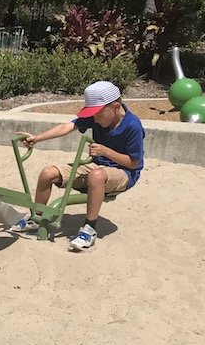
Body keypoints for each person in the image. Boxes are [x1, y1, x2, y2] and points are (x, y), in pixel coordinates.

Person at [12, 80, 145, 250]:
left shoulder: (133, 126)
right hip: (97, 166)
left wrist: (105, 151)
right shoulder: (100, 115)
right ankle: (36, 218)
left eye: (98, 114)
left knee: (96, 176)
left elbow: (134, 163)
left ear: (116, 106)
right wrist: (37, 138)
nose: (95, 119)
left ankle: (89, 229)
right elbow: (67, 127)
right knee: (47, 173)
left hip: (123, 172)